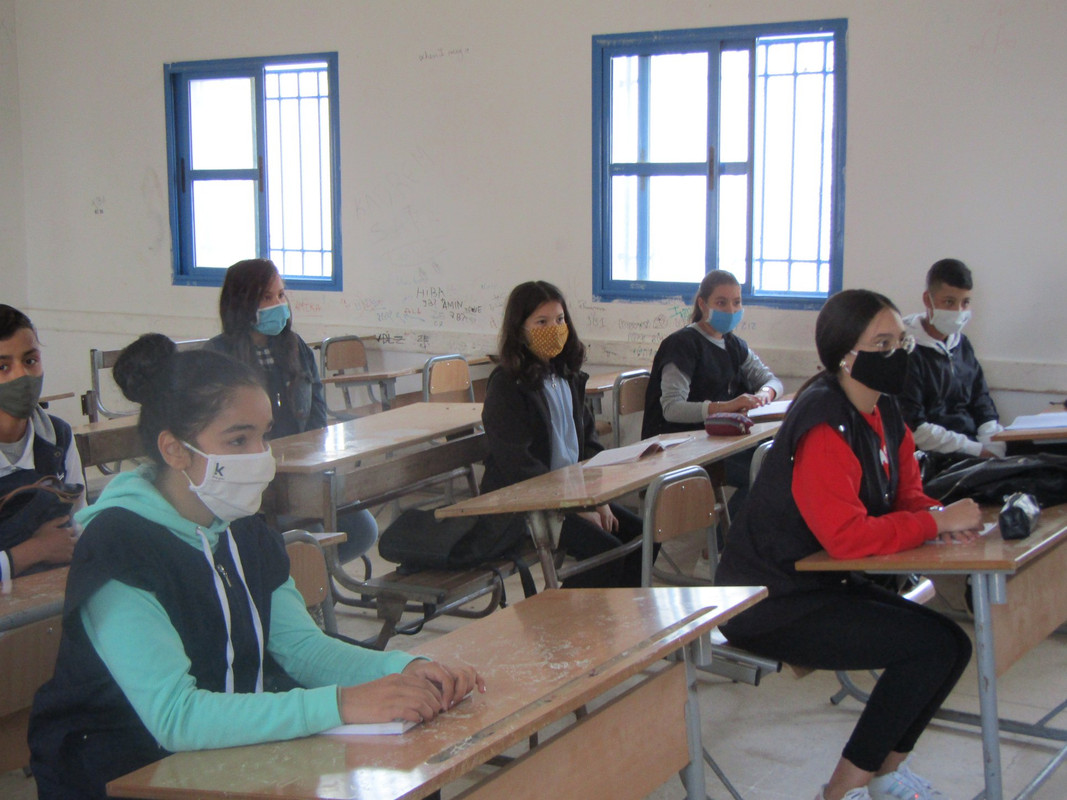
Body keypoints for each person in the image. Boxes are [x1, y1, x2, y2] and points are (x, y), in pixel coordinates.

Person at [29, 334, 483, 800]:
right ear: (175, 449)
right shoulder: (117, 547)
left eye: (263, 435)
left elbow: (301, 648)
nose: (260, 455)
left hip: (223, 755)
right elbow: (175, 717)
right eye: (238, 439)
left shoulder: (242, 527)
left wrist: (407, 667)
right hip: (123, 772)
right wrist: (341, 704)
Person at [715, 289, 981, 800]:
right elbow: (846, 537)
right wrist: (934, 525)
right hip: (768, 600)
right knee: (927, 649)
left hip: (822, 584)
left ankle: (886, 776)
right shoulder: (824, 421)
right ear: (844, 355)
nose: (896, 354)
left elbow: (907, 493)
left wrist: (939, 518)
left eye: (900, 342)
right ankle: (841, 790)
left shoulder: (885, 409)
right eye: (881, 344)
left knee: (953, 645)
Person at [205, 258, 378, 564]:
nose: (278, 305)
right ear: (242, 302)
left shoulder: (295, 347)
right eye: (266, 297)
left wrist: (311, 459)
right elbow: (217, 431)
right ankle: (303, 582)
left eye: (281, 295)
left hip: (301, 471)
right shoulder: (218, 356)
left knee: (361, 529)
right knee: (306, 537)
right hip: (251, 480)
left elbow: (317, 412)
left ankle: (309, 579)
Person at [481, 280, 645, 587]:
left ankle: (621, 610)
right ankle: (569, 614)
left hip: (572, 494)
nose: (554, 329)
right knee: (607, 552)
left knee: (642, 536)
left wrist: (598, 498)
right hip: (527, 504)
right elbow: (519, 467)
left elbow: (590, 445)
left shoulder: (567, 375)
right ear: (520, 330)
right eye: (541, 322)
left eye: (559, 320)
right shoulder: (507, 385)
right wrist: (573, 507)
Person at [642, 269, 783, 516]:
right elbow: (672, 409)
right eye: (721, 302)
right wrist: (726, 407)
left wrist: (766, 394)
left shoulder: (733, 344)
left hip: (721, 442)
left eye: (736, 302)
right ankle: (729, 538)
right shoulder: (682, 344)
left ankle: (730, 536)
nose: (731, 309)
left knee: (778, 462)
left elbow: (771, 380)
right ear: (702, 304)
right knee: (766, 473)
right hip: (682, 446)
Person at [0, 304, 84, 582]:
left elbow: (80, 522)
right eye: (3, 366)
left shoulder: (58, 436)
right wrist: (33, 551)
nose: (21, 376)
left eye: (30, 361)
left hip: (52, 593)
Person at [900, 258, 1004, 460]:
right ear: (927, 300)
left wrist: (994, 442)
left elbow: (982, 402)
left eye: (965, 303)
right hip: (934, 456)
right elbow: (914, 427)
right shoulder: (907, 349)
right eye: (949, 302)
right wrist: (977, 450)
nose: (958, 311)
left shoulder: (962, 344)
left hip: (972, 448)